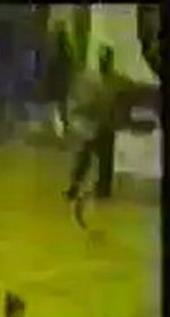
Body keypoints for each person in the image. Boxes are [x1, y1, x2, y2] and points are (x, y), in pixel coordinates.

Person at [64, 45, 128, 201]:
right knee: (83, 159)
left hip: (106, 125)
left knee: (105, 161)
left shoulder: (116, 80)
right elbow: (79, 100)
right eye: (102, 58)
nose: (104, 61)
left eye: (107, 58)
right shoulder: (90, 79)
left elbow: (123, 101)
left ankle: (103, 190)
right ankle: (75, 186)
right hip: (91, 126)